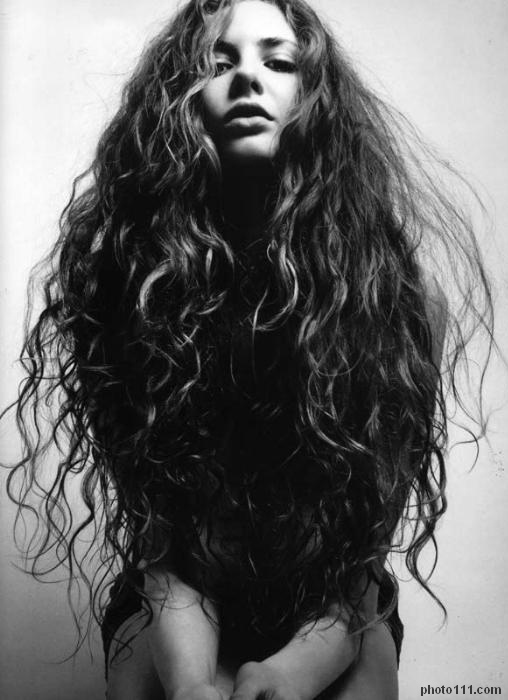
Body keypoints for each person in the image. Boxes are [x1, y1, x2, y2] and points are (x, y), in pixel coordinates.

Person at [4, 0, 493, 698]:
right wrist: (193, 684)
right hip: (175, 601)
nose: (247, 78)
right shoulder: (127, 292)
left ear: (315, 98)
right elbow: (164, 557)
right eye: (218, 61)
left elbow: (361, 562)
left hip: (335, 609)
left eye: (279, 60)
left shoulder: (396, 304)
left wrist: (289, 671)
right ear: (179, 102)